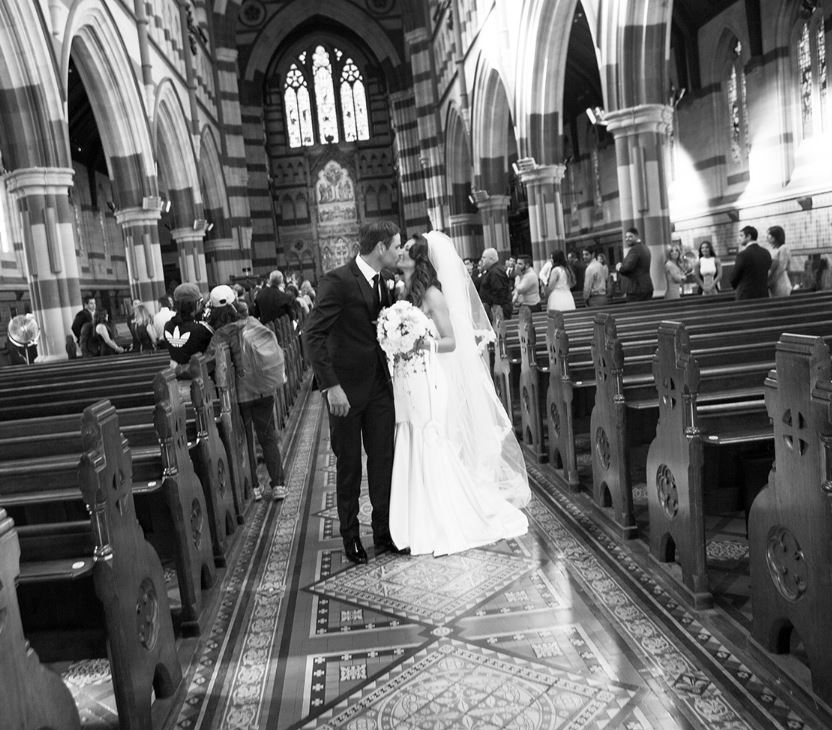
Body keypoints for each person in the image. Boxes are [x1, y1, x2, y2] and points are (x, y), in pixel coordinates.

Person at [387, 232, 529, 556]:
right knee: (410, 437)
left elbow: (451, 341)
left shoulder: (433, 294)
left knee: (430, 437)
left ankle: (439, 515)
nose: (401, 253)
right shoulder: (405, 291)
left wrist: (422, 344)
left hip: (430, 377)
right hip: (409, 379)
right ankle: (413, 517)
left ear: (419, 259)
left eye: (406, 249)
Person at [303, 220, 404, 565]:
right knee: (349, 467)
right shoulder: (338, 281)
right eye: (396, 246)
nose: (398, 251)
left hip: (379, 387)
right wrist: (331, 386)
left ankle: (384, 531)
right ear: (380, 248)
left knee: (383, 460)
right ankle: (350, 536)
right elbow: (312, 335)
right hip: (344, 391)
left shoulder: (384, 281)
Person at [206, 285, 287, 501]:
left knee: (247, 441)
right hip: (264, 388)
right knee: (268, 437)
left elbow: (208, 363)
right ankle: (278, 485)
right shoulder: (252, 322)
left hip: (242, 395)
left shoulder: (221, 334)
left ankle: (254, 487)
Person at [163, 282, 214, 372]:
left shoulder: (167, 326)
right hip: (199, 375)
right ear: (196, 304)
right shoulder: (201, 329)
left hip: (176, 375)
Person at [730, 225, 771, 300]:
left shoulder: (743, 254)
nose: (738, 238)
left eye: (741, 235)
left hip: (746, 296)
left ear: (748, 236)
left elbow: (733, 278)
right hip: (763, 295)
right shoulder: (766, 252)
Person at [616, 227, 653, 301]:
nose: (627, 239)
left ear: (637, 236)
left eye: (630, 236)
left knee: (635, 308)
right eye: (626, 237)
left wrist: (619, 267)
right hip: (646, 287)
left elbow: (627, 268)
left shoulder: (635, 250)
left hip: (636, 289)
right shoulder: (645, 248)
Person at [477, 248, 512, 321]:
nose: (482, 260)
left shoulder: (496, 272)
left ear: (491, 259)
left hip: (497, 311)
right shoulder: (491, 271)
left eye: (484, 257)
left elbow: (500, 293)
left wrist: (492, 308)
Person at [767, 225, 792, 297]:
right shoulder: (773, 249)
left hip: (780, 282)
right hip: (773, 283)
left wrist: (769, 281)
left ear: (775, 237)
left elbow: (781, 268)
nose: (767, 237)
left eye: (769, 235)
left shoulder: (784, 248)